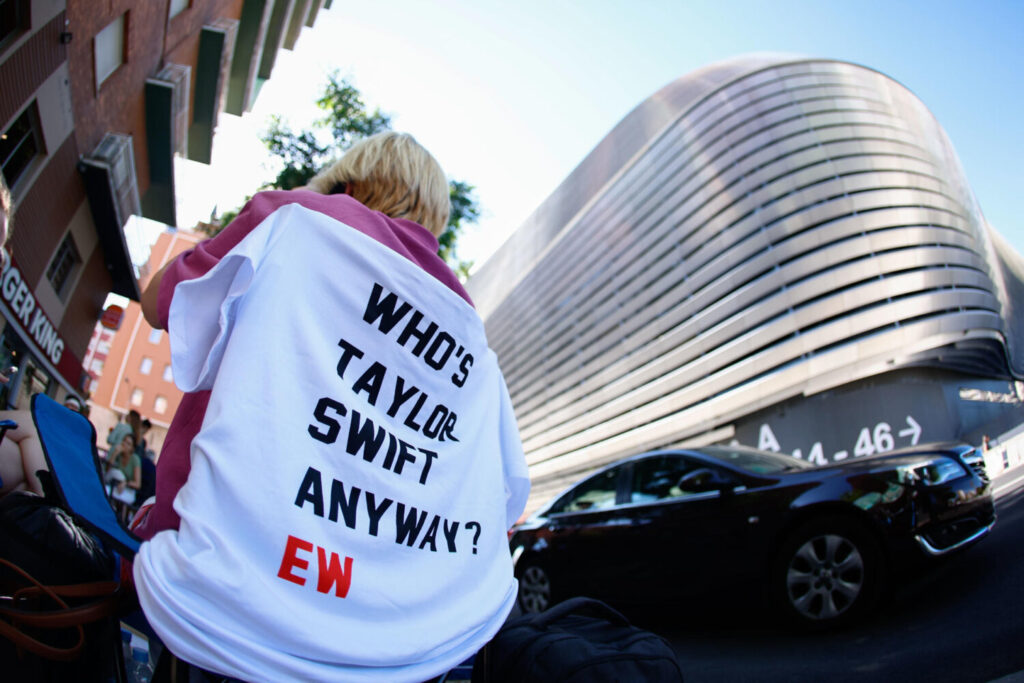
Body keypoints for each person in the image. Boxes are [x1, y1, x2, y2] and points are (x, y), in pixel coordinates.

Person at [131, 131, 530, 681]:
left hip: (224, 591)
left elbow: (157, 302)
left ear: (352, 179)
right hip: (394, 636)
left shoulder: (294, 218)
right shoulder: (466, 324)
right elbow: (501, 493)